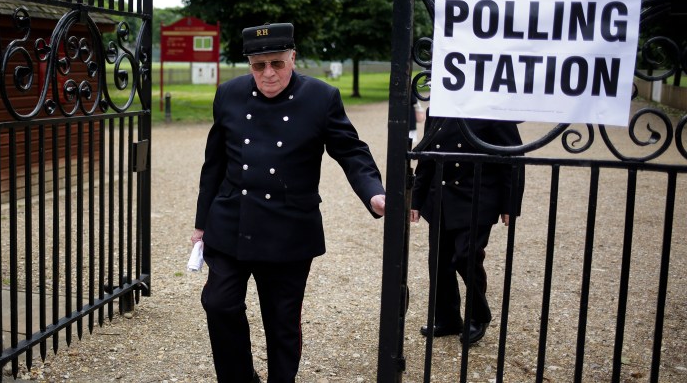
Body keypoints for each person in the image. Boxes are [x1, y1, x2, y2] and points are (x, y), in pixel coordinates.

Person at [192, 22, 386, 383]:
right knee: (218, 303)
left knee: (281, 322)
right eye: (258, 65)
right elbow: (214, 163)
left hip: (289, 230)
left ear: (293, 57)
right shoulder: (229, 94)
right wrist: (201, 224)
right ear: (249, 64)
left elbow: (351, 151)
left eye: (277, 63)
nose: (268, 73)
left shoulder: (321, 97)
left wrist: (373, 191)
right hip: (232, 222)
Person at [410, 117, 523, 344]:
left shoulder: (491, 110)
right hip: (441, 198)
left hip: (478, 197)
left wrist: (510, 204)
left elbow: (512, 159)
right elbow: (427, 158)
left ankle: (478, 315)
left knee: (465, 256)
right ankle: (448, 319)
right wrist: (416, 200)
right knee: (439, 262)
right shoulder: (438, 111)